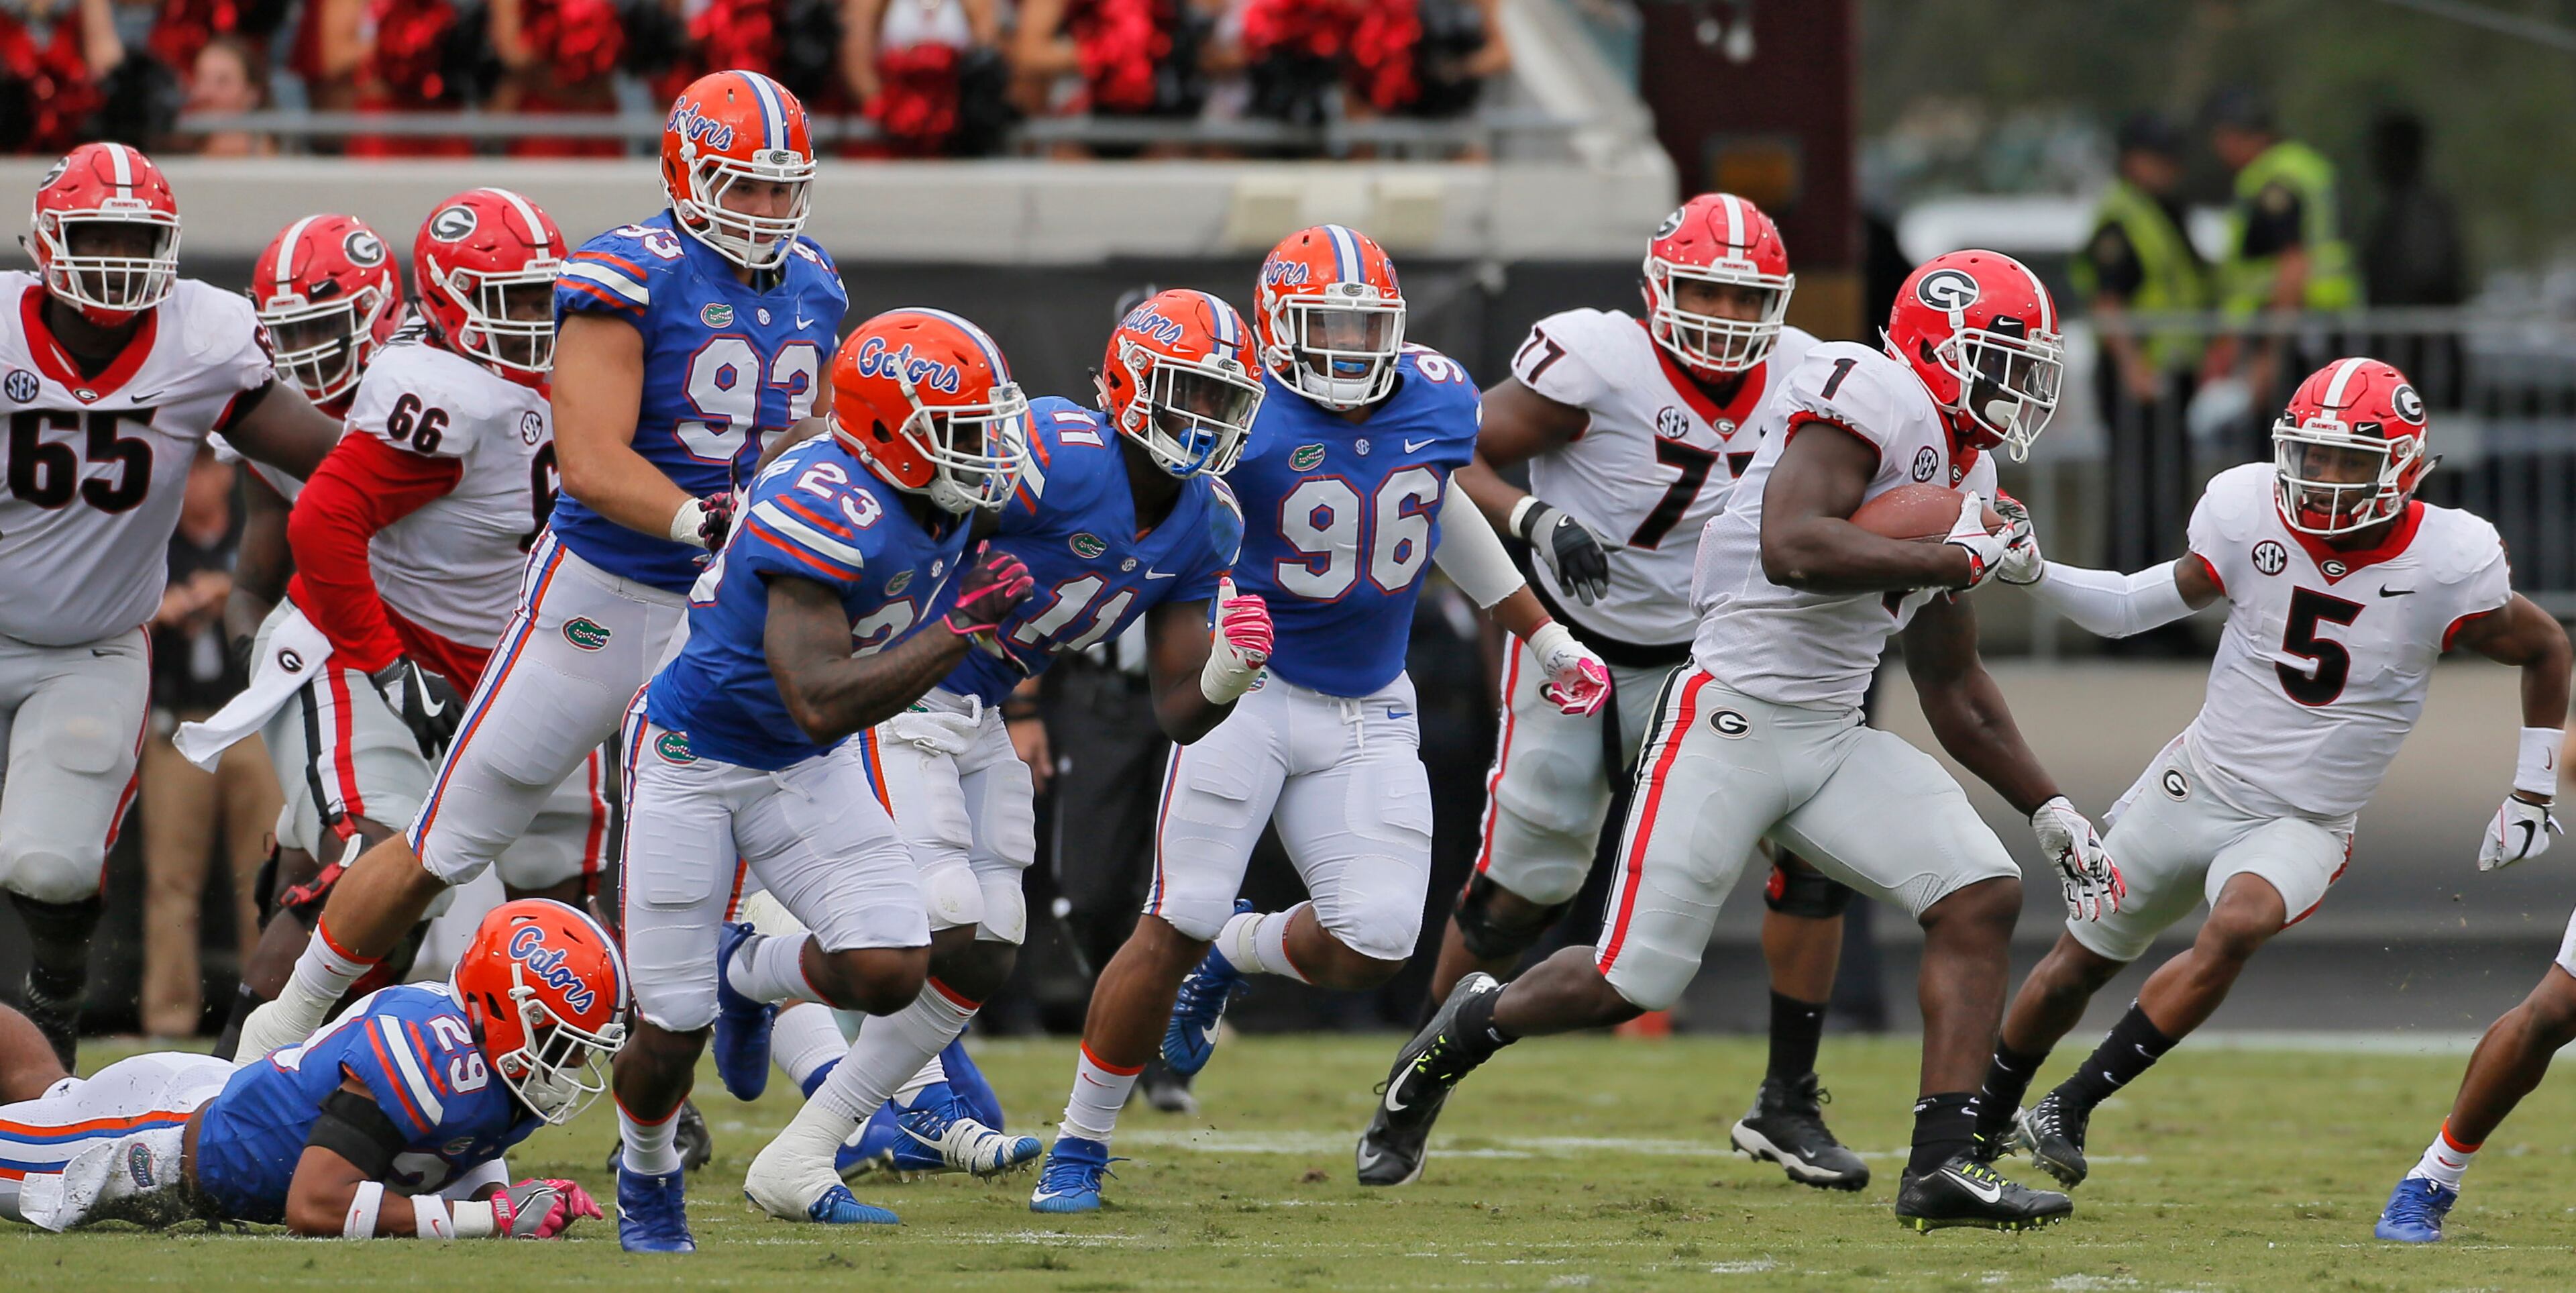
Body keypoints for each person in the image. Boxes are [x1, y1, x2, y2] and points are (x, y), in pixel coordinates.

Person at [1368, 252, 2129, 1233]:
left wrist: (2051, 806)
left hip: (1828, 730)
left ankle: (1941, 1164)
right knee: (1627, 978)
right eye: (1999, 358)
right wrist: (1951, 550)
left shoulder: (1967, 469)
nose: (2018, 385)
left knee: (1979, 891)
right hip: (1728, 715)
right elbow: (1794, 542)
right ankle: (1456, 1035)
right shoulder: (1874, 393)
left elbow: (1950, 680)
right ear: (1939, 350)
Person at [232, 69, 843, 1068]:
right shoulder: (626, 274)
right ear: (687, 174)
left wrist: (807, 493)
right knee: (447, 840)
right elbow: (595, 466)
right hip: (598, 596)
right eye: (744, 185)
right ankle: (286, 1021)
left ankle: (736, 1036)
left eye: (783, 187)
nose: (766, 210)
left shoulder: (816, 280)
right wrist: (712, 520)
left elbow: (798, 430)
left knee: (732, 827)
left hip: (714, 600)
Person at [1026, 224, 1611, 1214]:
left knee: (1378, 939)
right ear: (1275, 327)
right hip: (1249, 691)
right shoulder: (1234, 403)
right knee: (1178, 911)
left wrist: (1543, 636)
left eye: (1364, 324)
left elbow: (1434, 504)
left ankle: (1237, 954)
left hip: (1371, 699)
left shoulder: (1433, 392)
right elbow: (1175, 525)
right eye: (1325, 324)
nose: (1347, 346)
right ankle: (1079, 1143)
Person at [720, 289, 1273, 1205]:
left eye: (1224, 401)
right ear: (1134, 384)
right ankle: (753, 964)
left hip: (973, 706)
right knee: (931, 910)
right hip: (902, 683)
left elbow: (1176, 711)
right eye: (1191, 393)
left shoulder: (1209, 519)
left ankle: (806, 1147)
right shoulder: (1054, 453)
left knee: (988, 946)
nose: (1206, 419)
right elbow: (872, 472)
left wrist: (1228, 673)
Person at [1976, 358, 2569, 1196]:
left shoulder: (2450, 559)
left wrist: (2531, 788)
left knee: (2238, 923)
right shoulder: (2246, 506)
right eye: (2311, 456)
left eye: (2349, 462)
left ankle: (2068, 1106)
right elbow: (2129, 607)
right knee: (2076, 966)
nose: (2323, 481)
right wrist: (2037, 574)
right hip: (2198, 780)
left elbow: (2546, 646)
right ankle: (1985, 1115)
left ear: (2404, 467)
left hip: (2307, 819)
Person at [1366, 193, 1864, 1192]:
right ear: (1657, 288)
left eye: (1743, 295)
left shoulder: (1811, 376)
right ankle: (1418, 1069)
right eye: (1706, 290)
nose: (1724, 315)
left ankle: (1788, 1098)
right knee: (1518, 894)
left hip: (1711, 656)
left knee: (1812, 855)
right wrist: (1535, 517)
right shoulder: (1600, 361)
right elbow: (1453, 454)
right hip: (1571, 647)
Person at [608, 310, 1035, 1248]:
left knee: (890, 966)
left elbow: (806, 433)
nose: (985, 451)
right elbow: (820, 697)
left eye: (984, 424)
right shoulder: (828, 504)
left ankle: (748, 973)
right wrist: (962, 625)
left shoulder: (901, 470)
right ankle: (646, 1172)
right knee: (671, 1029)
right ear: (887, 435)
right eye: (958, 431)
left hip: (800, 766)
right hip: (698, 755)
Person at [185, 195, 618, 1063]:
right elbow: (290, 549)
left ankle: (645, 1111)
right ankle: (244, 1081)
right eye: (293, 335)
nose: (309, 356)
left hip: (513, 661)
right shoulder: (424, 389)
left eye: (542, 300)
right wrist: (314, 665)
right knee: (370, 869)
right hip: (358, 646)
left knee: (564, 895)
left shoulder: (530, 370)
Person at [0, 142, 341, 1071]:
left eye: (134, 236)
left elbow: (330, 462)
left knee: (51, 866)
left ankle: (55, 1005)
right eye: (96, 232)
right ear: (45, 241)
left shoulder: (201, 335)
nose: (115, 254)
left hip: (89, 645)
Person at [0, 898, 618, 1240]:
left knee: (53, 1094)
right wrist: (490, 1219)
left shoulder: (491, 1071)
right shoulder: (427, 1049)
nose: (573, 1062)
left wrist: (509, 1199)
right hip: (146, 1138)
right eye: (563, 1041)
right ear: (502, 1011)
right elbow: (316, 1203)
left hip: (203, 1109)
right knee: (54, 1115)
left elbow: (456, 1143)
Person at [139, 448, 282, 1039]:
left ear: (226, 471)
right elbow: (108, 615)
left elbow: (298, 604)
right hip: (180, 726)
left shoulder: (259, 532)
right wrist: (159, 609)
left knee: (265, 875)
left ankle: (266, 1016)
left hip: (252, 724)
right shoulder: (155, 541)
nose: (198, 479)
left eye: (207, 465)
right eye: (189, 466)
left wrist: (237, 592)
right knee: (172, 881)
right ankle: (167, 1018)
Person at [2077, 112, 2208, 622]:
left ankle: (2163, 618)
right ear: (2133, 161)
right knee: (2137, 498)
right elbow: (2108, 302)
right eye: (2159, 159)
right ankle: (2129, 618)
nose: (2169, 168)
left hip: (2169, 378)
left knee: (2166, 496)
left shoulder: (2164, 211)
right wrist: (2134, 369)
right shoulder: (2121, 217)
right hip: (2139, 380)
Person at [2202, 87, 2359, 414]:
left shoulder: (2275, 181)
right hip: (2318, 323)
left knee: (2289, 431)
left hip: (2294, 328)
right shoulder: (2304, 167)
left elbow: (2292, 265)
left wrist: (2270, 354)